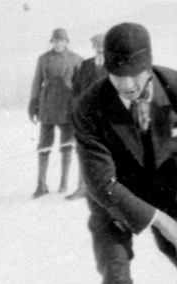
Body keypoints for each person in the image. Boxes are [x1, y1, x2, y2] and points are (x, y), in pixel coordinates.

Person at [72, 22, 177, 284]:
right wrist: (161, 222)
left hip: (167, 188)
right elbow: (100, 183)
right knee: (115, 277)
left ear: (148, 66)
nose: (126, 84)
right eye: (116, 75)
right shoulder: (88, 107)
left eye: (134, 74)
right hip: (114, 198)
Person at [28, 28, 83, 198]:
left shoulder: (76, 60)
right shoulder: (43, 59)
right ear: (51, 42)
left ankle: (63, 183)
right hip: (47, 106)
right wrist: (33, 104)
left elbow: (81, 87)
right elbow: (37, 83)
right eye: (55, 41)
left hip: (67, 108)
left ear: (67, 42)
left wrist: (80, 108)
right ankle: (41, 184)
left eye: (62, 40)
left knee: (66, 146)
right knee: (44, 146)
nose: (58, 44)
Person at [65, 33, 108, 201]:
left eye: (102, 45)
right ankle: (82, 188)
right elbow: (77, 90)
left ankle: (105, 190)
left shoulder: (114, 66)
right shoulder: (86, 65)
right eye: (96, 45)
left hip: (106, 118)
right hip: (87, 117)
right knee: (83, 151)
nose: (99, 48)